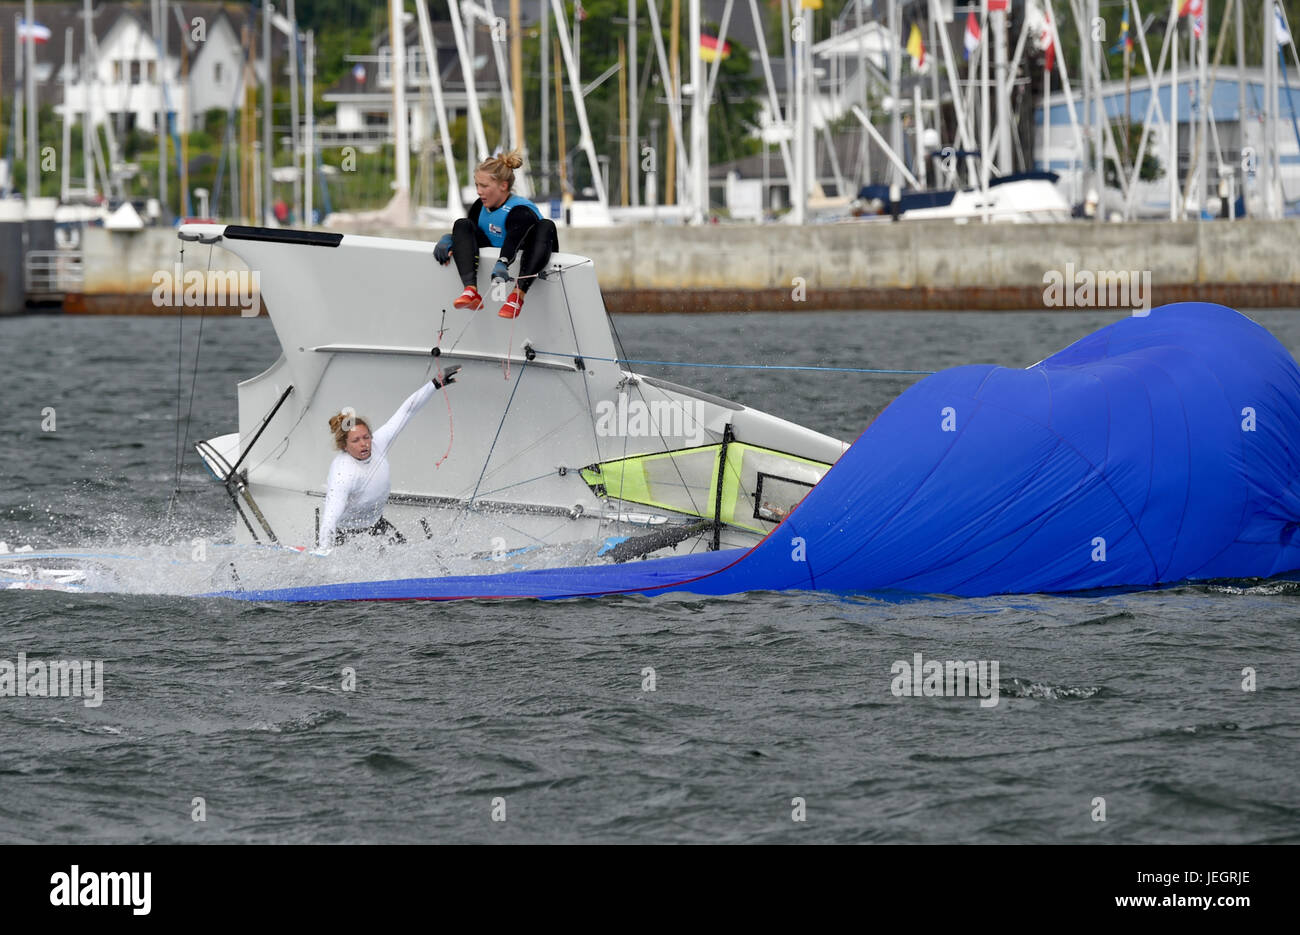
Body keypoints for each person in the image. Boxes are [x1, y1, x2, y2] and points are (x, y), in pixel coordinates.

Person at [317, 366, 461, 550]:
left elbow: (406, 412)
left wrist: (434, 384)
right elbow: (330, 517)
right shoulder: (343, 473)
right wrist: (323, 550)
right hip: (345, 535)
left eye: (366, 437)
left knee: (403, 558)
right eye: (356, 440)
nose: (364, 444)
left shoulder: (378, 443)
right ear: (344, 446)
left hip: (377, 525)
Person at [432, 151, 558, 319]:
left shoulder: (521, 210)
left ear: (503, 186)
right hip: (498, 256)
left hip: (528, 259)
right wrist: (451, 238)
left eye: (484, 186)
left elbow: (514, 239)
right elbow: (469, 232)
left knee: (546, 225)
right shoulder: (480, 206)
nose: (478, 191)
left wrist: (502, 262)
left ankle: (517, 296)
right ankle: (471, 291)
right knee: (462, 223)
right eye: (477, 185)